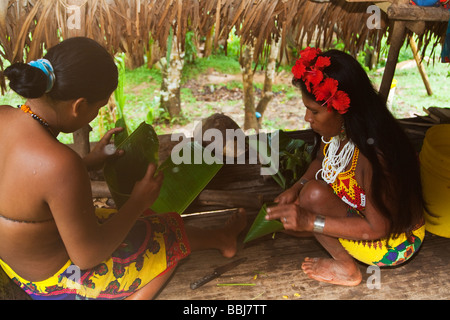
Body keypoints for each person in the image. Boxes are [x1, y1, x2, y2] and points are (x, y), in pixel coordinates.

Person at [0, 37, 246, 300]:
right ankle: (221, 241)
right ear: (79, 106)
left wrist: (89, 162)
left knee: (126, 218)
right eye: (98, 107)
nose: (95, 115)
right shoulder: (61, 165)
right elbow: (86, 256)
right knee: (169, 233)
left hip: (17, 268)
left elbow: (26, 183)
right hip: (59, 282)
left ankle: (219, 238)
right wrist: (137, 202)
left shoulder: (4, 115)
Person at [265, 47, 425, 286]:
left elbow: (378, 228)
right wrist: (297, 188)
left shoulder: (374, 155)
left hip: (394, 242)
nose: (307, 119)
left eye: (314, 111)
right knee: (308, 196)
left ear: (343, 110)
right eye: (307, 109)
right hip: (368, 219)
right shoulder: (339, 131)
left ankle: (347, 270)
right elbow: (321, 160)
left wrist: (311, 221)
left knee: (311, 201)